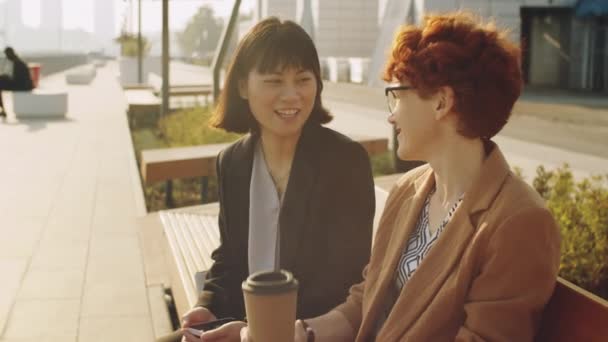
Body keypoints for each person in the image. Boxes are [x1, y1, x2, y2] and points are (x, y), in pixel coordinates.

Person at [248, 12, 561, 342]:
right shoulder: (409, 189)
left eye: (397, 95)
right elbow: (367, 299)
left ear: (441, 102)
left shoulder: (519, 221)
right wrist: (299, 334)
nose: (390, 115)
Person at [157, 17, 375, 342]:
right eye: (274, 81)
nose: (292, 95)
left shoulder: (345, 161)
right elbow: (229, 257)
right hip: (241, 325)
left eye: (303, 79)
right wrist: (207, 306)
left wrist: (253, 330)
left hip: (310, 332)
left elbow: (343, 278)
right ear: (243, 86)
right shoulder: (232, 162)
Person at [0, 47, 34, 118]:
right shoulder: (17, 61)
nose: (6, 57)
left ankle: (3, 110)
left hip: (23, 86)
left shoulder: (17, 63)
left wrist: (5, 78)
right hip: (23, 84)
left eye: (7, 55)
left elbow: (17, 79)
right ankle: (3, 110)